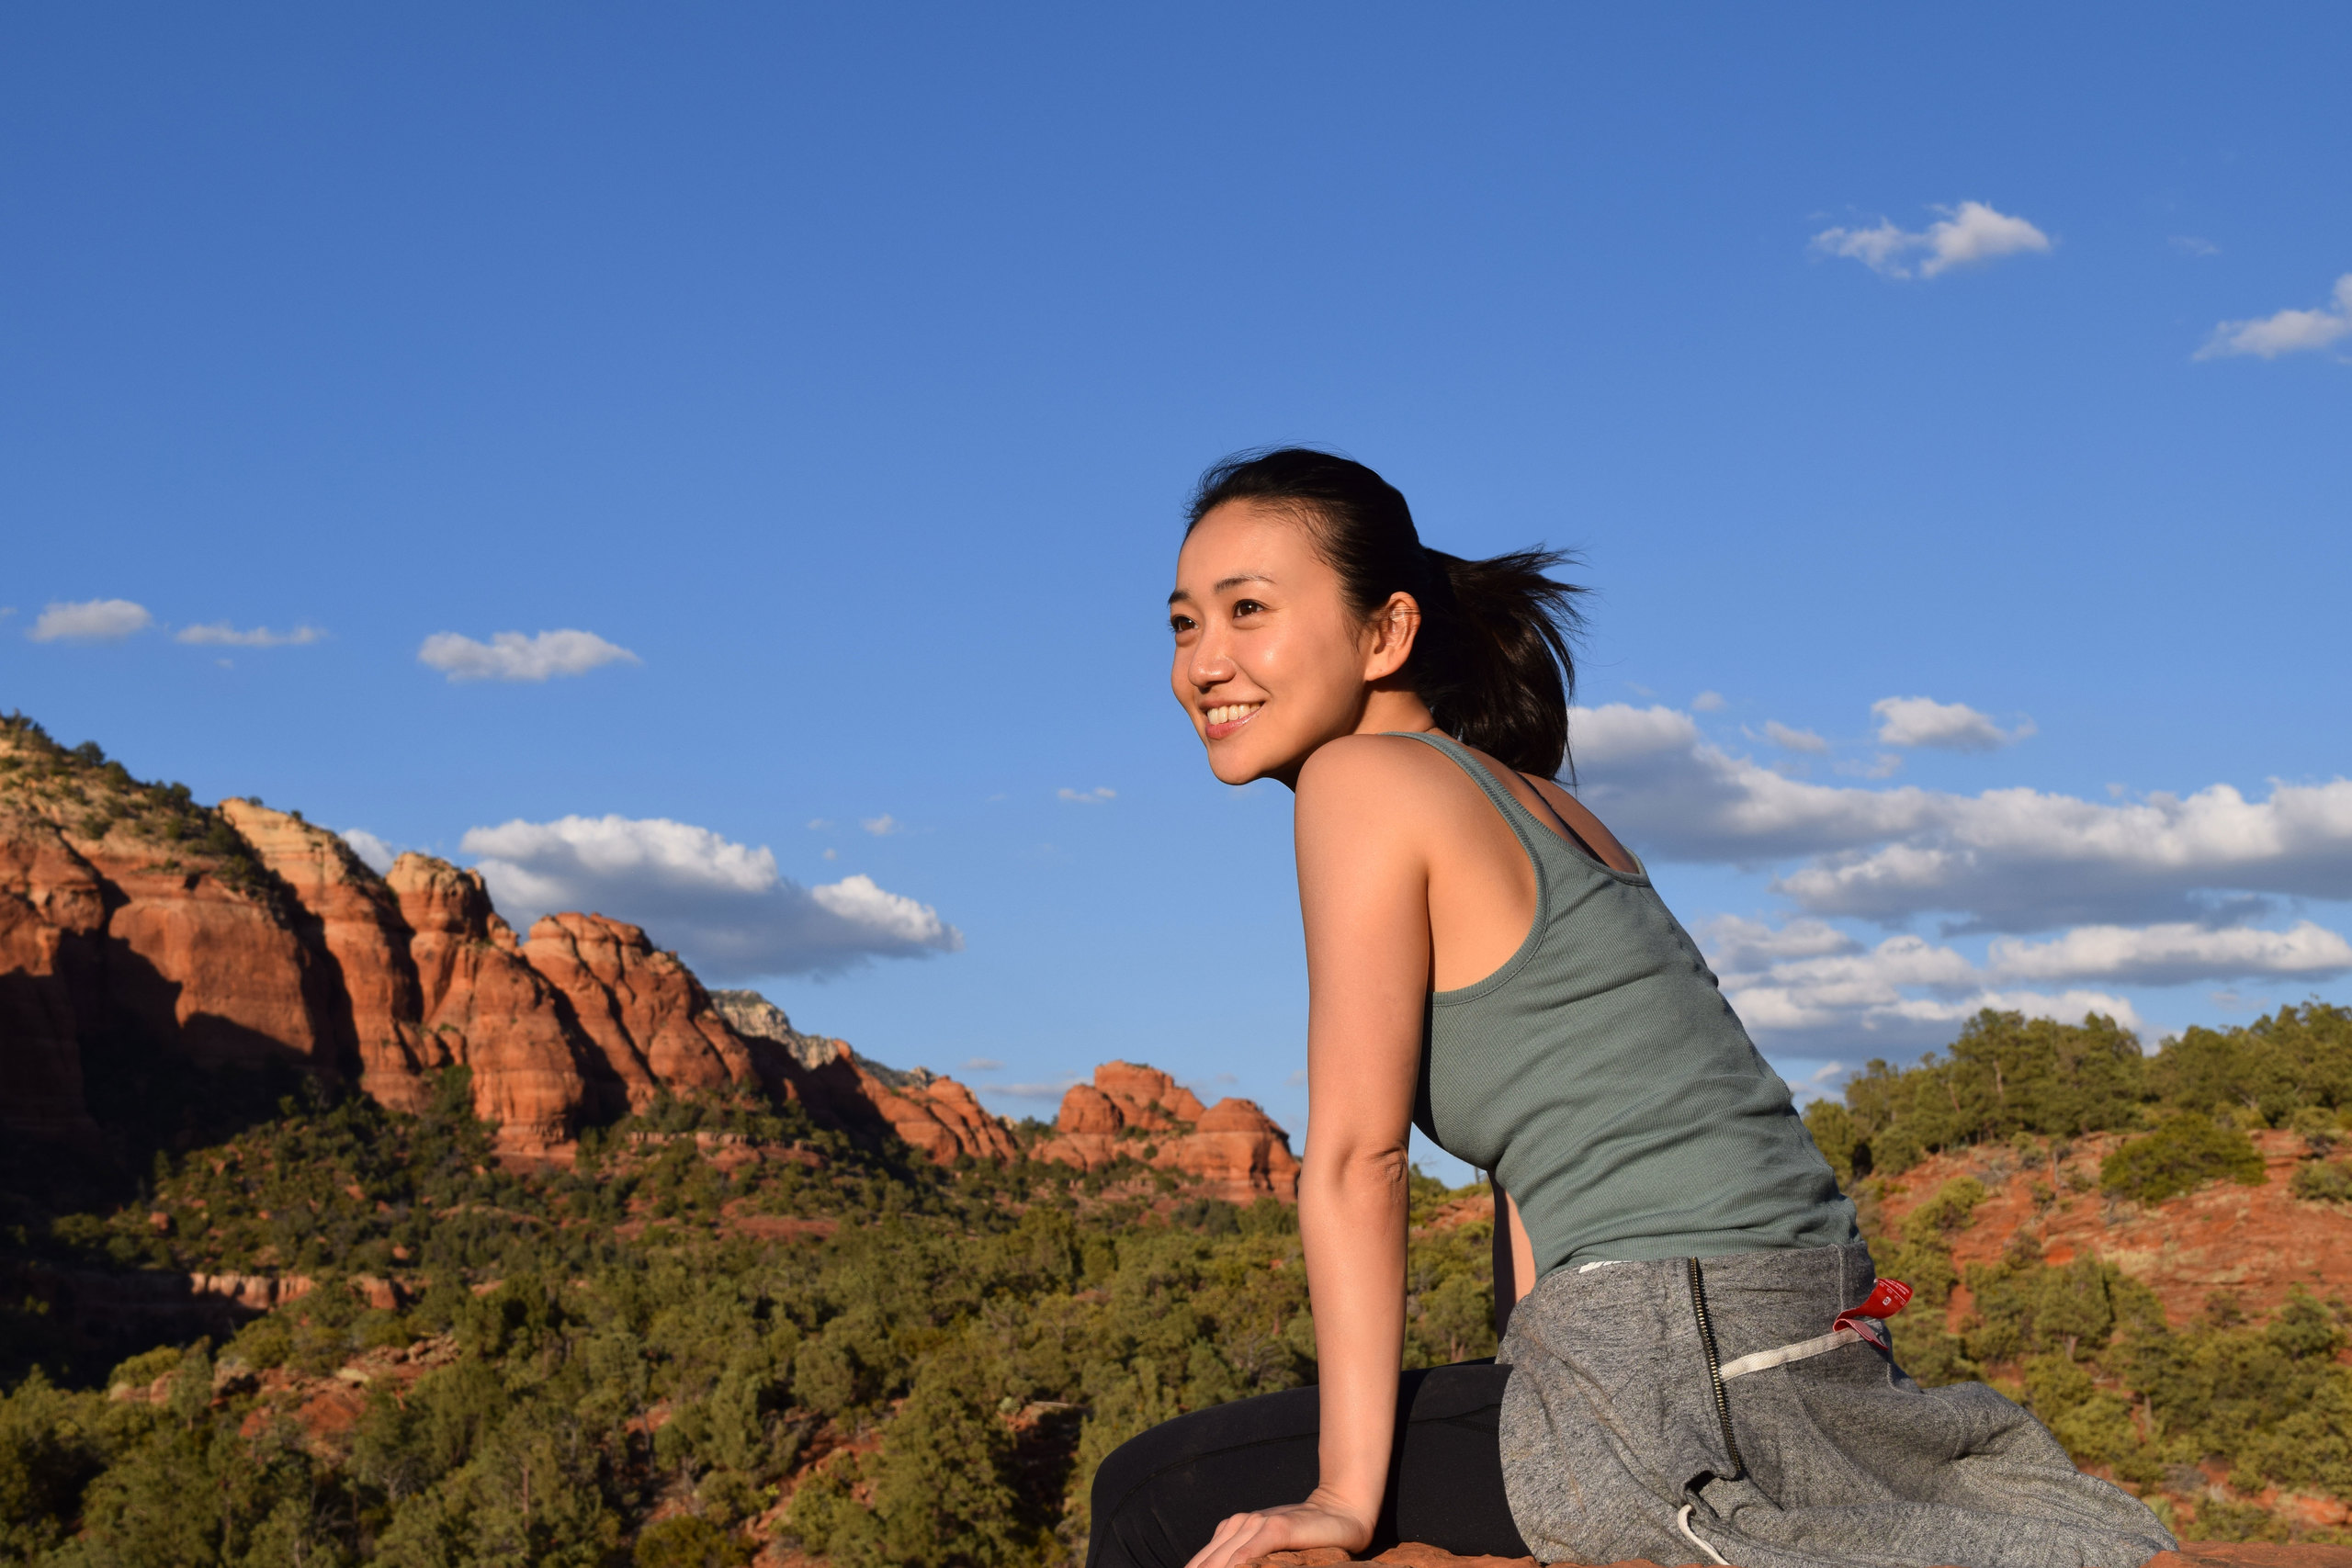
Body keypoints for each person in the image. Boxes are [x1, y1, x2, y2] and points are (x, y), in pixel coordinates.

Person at [1086, 450, 2175, 1568]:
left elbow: (1359, 1159)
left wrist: (1344, 1499)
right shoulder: (1543, 804)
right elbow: (1536, 1170)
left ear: (1385, 634)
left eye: (1248, 611)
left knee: (1143, 1495)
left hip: (1670, 1354)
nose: (1205, 664)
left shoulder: (1359, 783)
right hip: (1815, 1328)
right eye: (1182, 624)